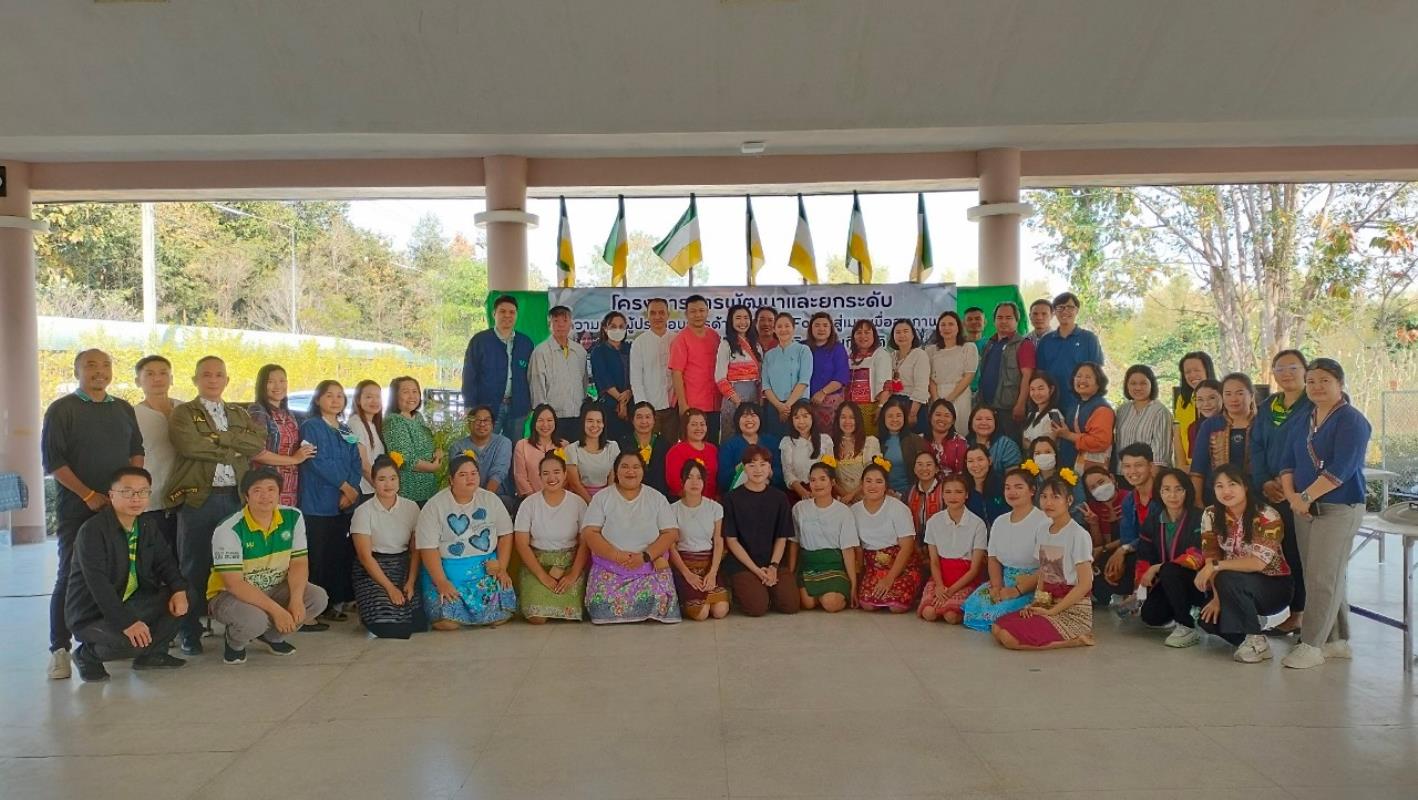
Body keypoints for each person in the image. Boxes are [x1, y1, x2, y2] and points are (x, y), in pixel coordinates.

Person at [41, 348, 146, 678]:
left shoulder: (123, 408)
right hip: (78, 508)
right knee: (69, 575)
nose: (99, 371)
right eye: (90, 365)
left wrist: (129, 492)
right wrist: (88, 495)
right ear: (77, 371)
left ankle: (105, 640)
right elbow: (54, 461)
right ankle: (59, 649)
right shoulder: (62, 409)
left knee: (118, 571)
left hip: (119, 510)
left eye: (105, 365)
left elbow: (136, 451)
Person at [167, 355, 268, 655]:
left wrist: (218, 438)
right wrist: (233, 447)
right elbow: (189, 445)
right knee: (194, 566)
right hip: (200, 498)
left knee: (237, 566)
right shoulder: (184, 413)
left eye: (219, 374)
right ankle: (189, 631)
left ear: (227, 380)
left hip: (236, 497)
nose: (213, 379)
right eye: (206, 374)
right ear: (195, 380)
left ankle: (238, 627)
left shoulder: (238, 411)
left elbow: (256, 444)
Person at [1279, 357, 1371, 669]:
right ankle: (1336, 640)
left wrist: (1304, 497)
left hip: (1339, 508)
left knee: (1323, 577)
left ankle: (1311, 644)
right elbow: (1287, 462)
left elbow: (1342, 469)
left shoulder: (1352, 421)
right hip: (1304, 509)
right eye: (1311, 381)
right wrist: (1293, 497)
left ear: (1340, 384)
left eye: (1325, 381)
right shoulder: (1304, 419)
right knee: (1320, 575)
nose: (1317, 387)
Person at [65, 467, 188, 681]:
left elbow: (166, 563)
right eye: (127, 492)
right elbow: (98, 585)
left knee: (186, 595)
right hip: (92, 613)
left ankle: (152, 655)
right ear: (111, 495)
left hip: (131, 601)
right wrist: (127, 623)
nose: (136, 498)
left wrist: (179, 589)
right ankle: (87, 655)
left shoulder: (147, 525)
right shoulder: (92, 531)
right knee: (132, 643)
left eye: (143, 492)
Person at [207, 468, 330, 664]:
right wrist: (277, 611)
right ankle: (234, 642)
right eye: (257, 490)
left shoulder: (293, 517)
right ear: (246, 496)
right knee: (255, 620)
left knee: (316, 598)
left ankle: (272, 637)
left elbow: (299, 562)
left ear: (279, 493)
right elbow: (234, 584)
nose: (265, 496)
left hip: (274, 587)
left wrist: (296, 599)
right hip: (229, 595)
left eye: (271, 489)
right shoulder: (229, 529)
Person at [1195, 465, 1292, 663]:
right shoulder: (1210, 514)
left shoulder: (1266, 515)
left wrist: (1216, 566)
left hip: (1273, 587)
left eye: (1232, 484)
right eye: (1219, 486)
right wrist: (1217, 598)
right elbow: (1211, 557)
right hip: (1232, 582)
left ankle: (1257, 641)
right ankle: (1252, 630)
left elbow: (1257, 563)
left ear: (1245, 486)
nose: (1226, 491)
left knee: (1226, 575)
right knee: (1208, 621)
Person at [992, 474, 1096, 650]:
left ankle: (1075, 640)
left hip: (1072, 610)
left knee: (1009, 639)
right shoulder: (1042, 529)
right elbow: (1044, 572)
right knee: (997, 627)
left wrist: (1052, 611)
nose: (1048, 503)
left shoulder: (1078, 534)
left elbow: (1085, 584)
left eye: (1055, 497)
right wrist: (1037, 604)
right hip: (1048, 602)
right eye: (1044, 496)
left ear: (1069, 500)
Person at [416, 454, 517, 629]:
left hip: (486, 569)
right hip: (447, 572)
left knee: (501, 616)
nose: (470, 478)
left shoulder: (490, 499)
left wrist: (502, 567)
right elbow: (428, 548)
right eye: (463, 475)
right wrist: (441, 581)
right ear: (451, 480)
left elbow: (506, 534)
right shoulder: (434, 506)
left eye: (474, 473)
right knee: (447, 623)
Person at [581, 451, 681, 624]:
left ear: (643, 471)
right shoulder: (602, 497)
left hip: (648, 565)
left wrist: (645, 556)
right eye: (625, 467)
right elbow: (590, 533)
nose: (630, 471)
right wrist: (616, 555)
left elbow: (671, 533)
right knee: (600, 607)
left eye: (636, 467)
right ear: (616, 471)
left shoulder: (656, 497)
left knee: (661, 601)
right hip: (610, 567)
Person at [1252, 349, 1311, 636]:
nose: (1286, 373)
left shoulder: (1314, 403)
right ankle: (1292, 612)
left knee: (1303, 555)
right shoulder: (1268, 406)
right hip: (1270, 492)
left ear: (1305, 371)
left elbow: (1312, 448)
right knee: (1283, 551)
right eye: (1280, 368)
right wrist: (1264, 481)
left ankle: (1307, 615)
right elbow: (1257, 447)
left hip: (1302, 492)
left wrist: (1289, 485)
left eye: (1293, 367)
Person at [298, 380, 363, 623]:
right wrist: (344, 486)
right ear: (317, 400)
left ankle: (334, 603)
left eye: (339, 396)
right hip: (317, 503)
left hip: (343, 504)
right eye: (329, 395)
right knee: (318, 557)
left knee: (337, 555)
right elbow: (315, 461)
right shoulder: (311, 426)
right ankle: (313, 609)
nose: (335, 400)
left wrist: (351, 490)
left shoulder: (345, 429)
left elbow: (356, 460)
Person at [961, 469, 1046, 631]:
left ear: (1032, 490)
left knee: (1001, 615)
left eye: (1018, 487)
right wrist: (997, 586)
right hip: (1004, 580)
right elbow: (993, 558)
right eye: (1007, 487)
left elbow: (1047, 569)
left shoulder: (1043, 522)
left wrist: (1016, 591)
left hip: (1032, 584)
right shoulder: (1000, 521)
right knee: (974, 606)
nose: (1012, 492)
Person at [350, 455, 421, 639]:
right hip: (373, 569)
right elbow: (365, 557)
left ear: (399, 480)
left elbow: (416, 551)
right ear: (373, 482)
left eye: (393, 478)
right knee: (386, 624)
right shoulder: (363, 512)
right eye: (382, 479)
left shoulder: (411, 507)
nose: (388, 484)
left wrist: (411, 581)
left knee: (419, 621)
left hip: (403, 566)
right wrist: (390, 588)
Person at [722, 446, 799, 616]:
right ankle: (752, 590)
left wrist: (773, 567)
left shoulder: (780, 498)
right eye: (752, 465)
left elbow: (782, 537)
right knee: (756, 607)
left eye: (763, 464)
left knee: (791, 605)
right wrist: (756, 570)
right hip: (743, 564)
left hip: (773, 561)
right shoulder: (731, 499)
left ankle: (768, 589)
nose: (758, 470)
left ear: (770, 468)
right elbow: (732, 541)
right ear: (744, 468)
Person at [513, 453, 589, 623]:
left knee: (570, 616)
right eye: (546, 473)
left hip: (568, 565)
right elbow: (521, 544)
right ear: (539, 476)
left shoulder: (578, 503)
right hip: (537, 565)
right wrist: (543, 576)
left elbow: (585, 543)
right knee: (537, 617)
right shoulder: (529, 504)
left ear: (565, 474)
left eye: (556, 472)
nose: (551, 478)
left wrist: (573, 574)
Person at [1136, 468, 1206, 647]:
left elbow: (1198, 555)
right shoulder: (1153, 520)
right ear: (1159, 492)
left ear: (1187, 491)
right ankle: (1180, 608)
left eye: (1178, 489)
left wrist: (1157, 567)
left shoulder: (1199, 517)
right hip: (1167, 581)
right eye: (1166, 489)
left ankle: (1186, 625)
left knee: (1169, 569)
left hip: (1198, 582)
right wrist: (1139, 590)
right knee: (1151, 616)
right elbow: (1144, 556)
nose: (1172, 495)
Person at [1096, 443, 1158, 611]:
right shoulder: (1129, 499)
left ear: (1151, 466)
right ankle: (1126, 594)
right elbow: (1127, 537)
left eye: (1138, 465)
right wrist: (1122, 550)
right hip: (1138, 550)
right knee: (1104, 564)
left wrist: (1123, 549)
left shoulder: (1163, 494)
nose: (1132, 471)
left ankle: (1143, 597)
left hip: (1161, 553)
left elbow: (1157, 536)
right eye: (1127, 466)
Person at [463, 294, 535, 441]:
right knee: (485, 447)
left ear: (516, 315)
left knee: (515, 448)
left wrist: (529, 405)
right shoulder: (480, 341)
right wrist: (470, 405)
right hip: (486, 407)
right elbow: (469, 375)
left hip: (517, 408)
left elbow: (531, 377)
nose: (507, 315)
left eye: (512, 312)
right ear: (494, 314)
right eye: (502, 311)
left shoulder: (526, 343)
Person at [917, 473, 987, 624]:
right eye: (948, 492)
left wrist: (951, 591)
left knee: (951, 616)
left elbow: (974, 569)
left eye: (958, 492)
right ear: (942, 495)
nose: (953, 496)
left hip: (965, 580)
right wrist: (939, 585)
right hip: (941, 577)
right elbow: (934, 561)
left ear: (966, 495)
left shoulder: (977, 524)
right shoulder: (934, 522)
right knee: (929, 613)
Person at [793, 462, 860, 612]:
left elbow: (848, 550)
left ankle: (833, 595)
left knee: (831, 604)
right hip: (809, 567)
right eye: (813, 480)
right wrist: (791, 573)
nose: (817, 484)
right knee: (807, 604)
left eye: (823, 479)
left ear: (832, 482)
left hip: (834, 567)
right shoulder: (799, 509)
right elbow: (794, 543)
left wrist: (853, 585)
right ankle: (822, 595)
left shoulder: (843, 511)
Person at [852, 462, 919, 612]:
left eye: (879, 481)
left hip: (901, 566)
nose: (873, 486)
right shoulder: (854, 511)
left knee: (896, 606)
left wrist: (889, 579)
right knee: (867, 604)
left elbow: (907, 547)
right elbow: (857, 549)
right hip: (874, 567)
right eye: (868, 481)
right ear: (861, 484)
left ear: (886, 485)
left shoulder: (899, 508)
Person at [669, 460, 730, 620]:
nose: (694, 482)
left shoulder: (715, 508)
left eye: (699, 478)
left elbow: (718, 542)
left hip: (708, 564)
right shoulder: (672, 509)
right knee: (701, 613)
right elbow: (671, 547)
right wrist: (687, 574)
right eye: (689, 477)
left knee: (720, 611)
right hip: (685, 565)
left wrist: (713, 572)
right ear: (682, 481)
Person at [248, 363, 315, 508]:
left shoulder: (288, 413)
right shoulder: (257, 412)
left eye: (282, 381)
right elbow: (256, 452)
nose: (278, 386)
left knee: (287, 520)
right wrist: (294, 459)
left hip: (290, 484)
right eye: (271, 381)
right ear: (262, 385)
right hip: (267, 484)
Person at [133, 355, 181, 556]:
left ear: (172, 378)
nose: (158, 378)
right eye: (150, 374)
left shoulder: (187, 409)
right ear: (138, 381)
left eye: (163, 373)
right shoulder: (132, 415)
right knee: (153, 558)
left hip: (186, 498)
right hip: (152, 500)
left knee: (184, 556)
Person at [1035, 292, 1104, 418]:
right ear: (1054, 312)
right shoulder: (1046, 341)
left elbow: (1097, 373)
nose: (1065, 311)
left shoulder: (1089, 339)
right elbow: (1040, 374)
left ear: (1077, 311)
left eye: (1070, 307)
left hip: (1080, 404)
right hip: (1051, 404)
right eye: (1060, 307)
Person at [1189, 372, 1256, 504]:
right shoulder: (1210, 425)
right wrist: (1197, 501)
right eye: (1228, 394)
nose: (1233, 399)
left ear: (1251, 396)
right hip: (1217, 497)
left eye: (1239, 393)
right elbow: (1198, 468)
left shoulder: (1262, 424)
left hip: (1255, 494)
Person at [530, 305, 591, 442]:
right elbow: (537, 386)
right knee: (554, 453)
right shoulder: (541, 352)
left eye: (565, 320)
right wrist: (543, 417)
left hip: (577, 415)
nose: (560, 325)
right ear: (549, 324)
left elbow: (584, 382)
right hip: (552, 419)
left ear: (571, 323)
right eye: (556, 321)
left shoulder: (580, 351)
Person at [977, 301, 1036, 438]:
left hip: (1010, 409)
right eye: (1000, 317)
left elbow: (1027, 376)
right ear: (994, 321)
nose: (1003, 321)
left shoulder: (1024, 344)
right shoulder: (990, 344)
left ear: (1016, 320)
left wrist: (1021, 404)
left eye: (1008, 318)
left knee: (1011, 445)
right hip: (988, 406)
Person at [670, 294, 724, 441]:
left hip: (715, 403)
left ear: (707, 312)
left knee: (712, 444)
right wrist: (683, 404)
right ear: (686, 314)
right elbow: (676, 373)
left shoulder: (714, 336)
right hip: (692, 405)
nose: (698, 315)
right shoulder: (681, 339)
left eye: (701, 310)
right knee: (693, 444)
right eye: (693, 311)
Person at [382, 376, 441, 506]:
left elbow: (429, 443)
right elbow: (406, 459)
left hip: (429, 489)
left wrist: (437, 451)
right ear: (395, 396)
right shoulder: (394, 421)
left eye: (415, 391)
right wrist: (433, 467)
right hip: (410, 491)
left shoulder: (418, 417)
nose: (412, 396)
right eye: (406, 392)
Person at [629, 297, 678, 440]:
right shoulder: (639, 343)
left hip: (673, 408)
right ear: (647, 316)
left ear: (668, 315)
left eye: (661, 313)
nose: (657, 317)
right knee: (649, 447)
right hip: (649, 409)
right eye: (653, 313)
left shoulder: (677, 339)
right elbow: (636, 379)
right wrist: (643, 409)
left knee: (671, 447)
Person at [1053, 362, 1114, 473]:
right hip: (1069, 465)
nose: (1082, 380)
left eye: (1088, 377)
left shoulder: (1102, 409)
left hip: (1089, 471)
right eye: (1078, 376)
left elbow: (1099, 442)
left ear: (1098, 382)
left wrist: (1068, 435)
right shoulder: (1076, 405)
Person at [446, 405, 515, 503]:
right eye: (477, 420)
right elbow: (457, 476)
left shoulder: (503, 442)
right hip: (466, 497)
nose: (482, 424)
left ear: (493, 424)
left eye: (486, 420)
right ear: (469, 424)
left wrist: (483, 500)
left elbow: (499, 472)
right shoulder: (457, 447)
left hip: (497, 496)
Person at [715, 303, 763, 439]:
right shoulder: (726, 344)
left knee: (752, 435)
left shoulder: (756, 345)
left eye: (746, 318)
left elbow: (761, 376)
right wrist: (736, 400)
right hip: (733, 398)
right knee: (731, 434)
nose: (742, 322)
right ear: (731, 321)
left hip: (754, 396)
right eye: (738, 318)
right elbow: (720, 377)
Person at [761, 311, 812, 437]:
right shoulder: (769, 355)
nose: (783, 330)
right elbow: (766, 385)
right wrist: (779, 406)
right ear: (774, 330)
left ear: (793, 328)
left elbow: (804, 380)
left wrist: (787, 406)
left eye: (787, 326)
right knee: (775, 442)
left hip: (799, 404)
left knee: (799, 440)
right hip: (774, 406)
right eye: (779, 326)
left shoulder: (803, 350)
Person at [926, 310, 977, 436]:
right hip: (936, 395)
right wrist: (937, 400)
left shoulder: (968, 348)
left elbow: (969, 375)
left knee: (960, 431)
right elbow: (929, 377)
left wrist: (950, 399)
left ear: (958, 327)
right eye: (943, 325)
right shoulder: (930, 350)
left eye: (951, 324)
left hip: (960, 395)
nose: (946, 328)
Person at [1114, 364, 1174, 468]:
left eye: (1143, 383)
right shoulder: (1122, 410)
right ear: (1127, 386)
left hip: (1149, 474)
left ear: (1151, 385)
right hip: (1122, 472)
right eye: (1133, 383)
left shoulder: (1160, 411)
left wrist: (1153, 476)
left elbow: (1161, 456)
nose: (1138, 388)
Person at [719, 402, 783, 493]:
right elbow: (722, 480)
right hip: (739, 495)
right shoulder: (728, 446)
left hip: (769, 494)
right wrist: (740, 468)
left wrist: (767, 471)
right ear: (737, 420)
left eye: (753, 415)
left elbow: (782, 475)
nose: (749, 419)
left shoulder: (772, 442)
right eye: (744, 416)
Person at [589, 310, 634, 441]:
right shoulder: (598, 351)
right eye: (613, 326)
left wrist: (629, 393)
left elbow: (637, 374)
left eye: (621, 326)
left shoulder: (631, 349)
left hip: (632, 404)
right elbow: (603, 377)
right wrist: (621, 401)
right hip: (608, 406)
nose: (617, 330)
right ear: (605, 328)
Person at [564, 405, 621, 502]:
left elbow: (613, 478)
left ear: (603, 424)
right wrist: (592, 504)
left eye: (599, 421)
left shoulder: (612, 447)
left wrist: (605, 502)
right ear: (583, 423)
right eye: (590, 421)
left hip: (607, 499)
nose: (594, 425)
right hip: (580, 499)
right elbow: (575, 484)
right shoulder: (572, 449)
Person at [805, 311, 849, 432]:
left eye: (825, 325)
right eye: (817, 325)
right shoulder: (802, 347)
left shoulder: (838, 348)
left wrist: (823, 392)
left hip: (830, 404)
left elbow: (841, 377)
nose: (821, 329)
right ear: (811, 329)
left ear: (831, 329)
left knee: (830, 438)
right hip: (805, 402)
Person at [846, 319, 892, 435]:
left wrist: (880, 407)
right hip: (851, 410)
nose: (863, 336)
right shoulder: (850, 356)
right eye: (859, 332)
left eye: (867, 332)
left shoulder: (880, 354)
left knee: (869, 442)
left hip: (871, 409)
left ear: (874, 335)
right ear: (853, 336)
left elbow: (886, 385)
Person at [1173, 351, 1218, 469]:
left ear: (1207, 370)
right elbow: (1178, 435)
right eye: (1187, 372)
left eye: (1197, 370)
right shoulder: (1182, 400)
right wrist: (1181, 466)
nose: (1192, 375)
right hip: (1188, 467)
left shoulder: (1221, 394)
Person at [780, 400, 832, 501]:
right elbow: (787, 472)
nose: (801, 422)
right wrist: (803, 492)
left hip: (823, 491)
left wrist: (819, 490)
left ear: (812, 418)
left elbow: (830, 469)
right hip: (798, 492)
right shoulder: (787, 442)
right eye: (796, 417)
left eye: (805, 416)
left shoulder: (825, 440)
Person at [831, 401, 881, 504]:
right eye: (843, 417)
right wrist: (845, 496)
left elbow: (873, 475)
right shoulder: (830, 444)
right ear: (837, 420)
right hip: (842, 501)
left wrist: (852, 495)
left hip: (866, 500)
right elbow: (830, 478)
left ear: (858, 420)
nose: (847, 421)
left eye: (852, 417)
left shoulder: (870, 442)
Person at [886, 319, 931, 431]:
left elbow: (921, 387)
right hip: (893, 404)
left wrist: (912, 413)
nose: (902, 335)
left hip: (913, 404)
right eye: (898, 332)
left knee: (912, 439)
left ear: (913, 335)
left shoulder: (919, 355)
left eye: (905, 331)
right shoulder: (891, 356)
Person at [665, 408, 719, 500]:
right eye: (694, 424)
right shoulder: (676, 451)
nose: (699, 428)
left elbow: (717, 479)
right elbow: (674, 482)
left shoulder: (713, 449)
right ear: (685, 427)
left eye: (702, 424)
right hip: (685, 501)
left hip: (711, 502)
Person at [878, 398, 928, 496]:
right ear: (883, 418)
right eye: (890, 416)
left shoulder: (916, 441)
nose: (895, 419)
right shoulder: (876, 442)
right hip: (884, 494)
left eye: (899, 415)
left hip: (912, 494)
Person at [513, 404, 564, 498]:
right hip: (530, 499)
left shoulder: (564, 446)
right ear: (534, 423)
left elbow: (567, 477)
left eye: (549, 420)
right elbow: (520, 477)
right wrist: (536, 500)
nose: (545, 425)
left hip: (559, 498)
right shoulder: (522, 445)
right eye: (540, 420)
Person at [621, 401, 671, 495]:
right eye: (639, 417)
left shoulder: (664, 444)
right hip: (630, 494)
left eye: (648, 417)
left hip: (658, 495)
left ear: (654, 420)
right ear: (632, 420)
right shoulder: (623, 443)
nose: (644, 421)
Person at [349, 380, 386, 499]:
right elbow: (363, 465)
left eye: (378, 397)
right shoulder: (356, 423)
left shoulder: (374, 424)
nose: (375, 401)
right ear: (358, 400)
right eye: (369, 397)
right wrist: (382, 488)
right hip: (364, 489)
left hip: (372, 487)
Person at [904, 450, 947, 545]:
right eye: (920, 464)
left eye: (929, 464)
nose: (924, 468)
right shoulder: (909, 493)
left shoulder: (946, 491)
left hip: (941, 542)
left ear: (936, 469)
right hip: (915, 544)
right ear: (914, 469)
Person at [967, 406, 1022, 476]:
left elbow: (1013, 477)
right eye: (979, 419)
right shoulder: (964, 443)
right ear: (971, 423)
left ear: (995, 423)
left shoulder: (1007, 445)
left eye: (989, 419)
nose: (984, 422)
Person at [963, 445, 1007, 526]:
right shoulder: (963, 488)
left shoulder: (1003, 485)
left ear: (989, 461)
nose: (975, 465)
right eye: (970, 461)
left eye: (980, 459)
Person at [923, 399, 967, 475]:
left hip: (953, 482)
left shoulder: (960, 441)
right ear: (930, 417)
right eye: (938, 415)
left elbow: (961, 472)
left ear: (953, 421)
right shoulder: (918, 440)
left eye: (947, 416)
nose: (942, 419)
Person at [1020, 374, 1063, 449]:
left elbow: (1047, 446)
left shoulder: (1054, 414)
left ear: (1051, 389)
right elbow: (1023, 443)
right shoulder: (1031, 414)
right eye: (1032, 389)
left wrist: (1029, 444)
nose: (1036, 393)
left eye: (1040, 389)